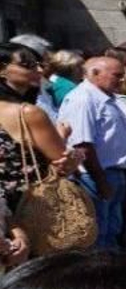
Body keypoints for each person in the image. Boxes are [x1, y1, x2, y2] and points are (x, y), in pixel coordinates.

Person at [58, 56, 126, 250]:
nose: (122, 80)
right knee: (98, 234)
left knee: (113, 229)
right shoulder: (83, 99)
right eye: (117, 75)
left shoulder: (106, 97)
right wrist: (101, 181)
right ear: (94, 73)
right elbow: (83, 145)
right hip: (96, 176)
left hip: (114, 172)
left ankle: (112, 271)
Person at [0, 44, 79, 218]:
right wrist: (63, 137)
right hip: (29, 205)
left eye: (38, 64)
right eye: (27, 65)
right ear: (2, 70)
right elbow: (62, 163)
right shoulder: (28, 113)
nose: (38, 70)